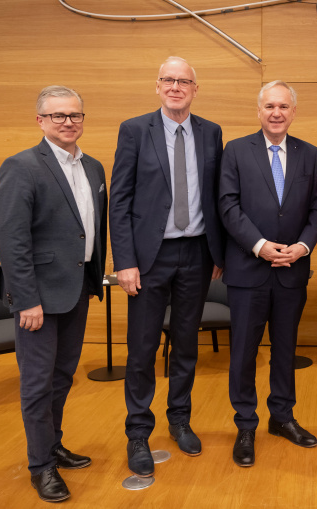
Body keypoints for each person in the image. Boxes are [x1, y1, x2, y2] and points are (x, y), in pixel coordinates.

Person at [109, 57, 225, 477]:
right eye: (169, 80)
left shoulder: (211, 133)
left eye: (184, 81)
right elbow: (119, 200)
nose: (176, 87)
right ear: (157, 86)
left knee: (186, 344)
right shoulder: (135, 130)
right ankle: (138, 432)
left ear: (196, 88)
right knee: (142, 349)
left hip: (196, 254)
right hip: (148, 258)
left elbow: (217, 197)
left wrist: (218, 253)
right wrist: (125, 261)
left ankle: (179, 420)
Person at [0, 85, 108, 503]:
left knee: (62, 377)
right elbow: (11, 239)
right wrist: (26, 299)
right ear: (40, 121)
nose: (68, 122)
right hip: (37, 300)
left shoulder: (93, 167)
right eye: (58, 115)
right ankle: (40, 466)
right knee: (38, 384)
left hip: (76, 292)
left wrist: (95, 279)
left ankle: (53, 445)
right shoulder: (22, 166)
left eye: (75, 115)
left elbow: (90, 229)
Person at [219, 80, 317, 467]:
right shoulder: (235, 151)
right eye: (269, 106)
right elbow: (228, 207)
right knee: (244, 354)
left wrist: (303, 246)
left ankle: (282, 417)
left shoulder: (309, 154)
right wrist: (261, 246)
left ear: (293, 112)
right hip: (249, 270)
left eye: (283, 106)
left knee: (285, 351)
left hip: (292, 271)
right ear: (258, 111)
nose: (276, 113)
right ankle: (245, 423)